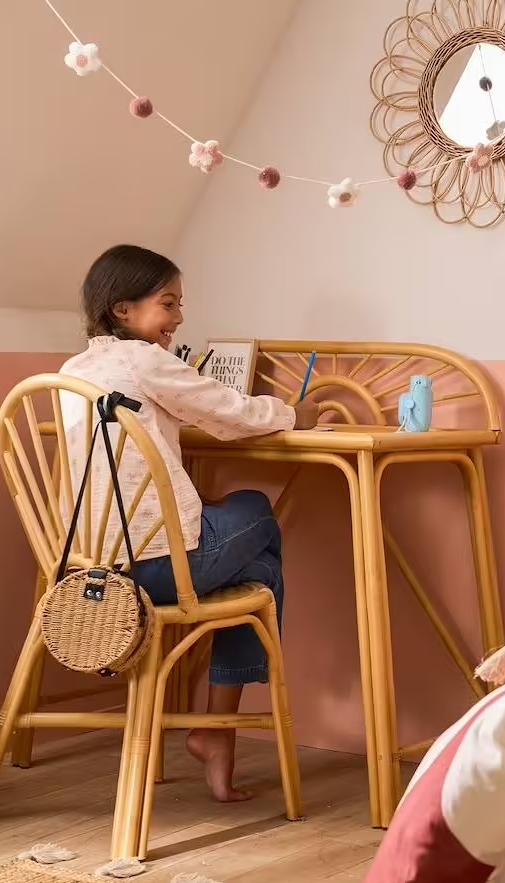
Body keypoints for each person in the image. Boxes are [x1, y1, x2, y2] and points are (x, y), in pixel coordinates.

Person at [59, 244, 319, 802]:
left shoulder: (73, 371)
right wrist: (297, 413)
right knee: (255, 512)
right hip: (156, 568)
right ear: (123, 309)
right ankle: (215, 730)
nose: (179, 318)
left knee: (256, 567)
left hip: (94, 567)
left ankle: (213, 738)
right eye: (169, 304)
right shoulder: (146, 360)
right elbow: (232, 415)